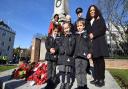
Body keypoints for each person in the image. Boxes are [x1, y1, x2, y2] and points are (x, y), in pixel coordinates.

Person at [86, 5, 109, 87]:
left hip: (99, 42)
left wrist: (94, 34)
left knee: (100, 61)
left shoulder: (99, 18)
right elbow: (88, 32)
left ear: (96, 11)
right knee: (95, 61)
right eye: (90, 10)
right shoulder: (88, 21)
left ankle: (101, 79)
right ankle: (96, 78)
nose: (92, 11)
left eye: (93, 10)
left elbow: (103, 29)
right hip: (92, 44)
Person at [74, 18, 92, 89]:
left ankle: (84, 86)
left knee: (83, 71)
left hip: (84, 56)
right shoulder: (75, 35)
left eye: (80, 25)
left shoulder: (86, 35)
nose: (79, 27)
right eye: (78, 26)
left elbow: (90, 45)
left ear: (83, 26)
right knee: (78, 71)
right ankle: (79, 85)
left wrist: (90, 53)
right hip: (77, 56)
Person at [57, 21, 75, 89]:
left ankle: (68, 83)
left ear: (69, 28)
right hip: (62, 56)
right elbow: (59, 45)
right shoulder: (61, 37)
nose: (66, 29)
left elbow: (72, 45)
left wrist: (68, 51)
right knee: (62, 71)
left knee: (68, 71)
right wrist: (61, 50)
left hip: (68, 56)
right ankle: (62, 83)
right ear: (63, 29)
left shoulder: (72, 37)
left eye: (67, 28)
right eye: (65, 28)